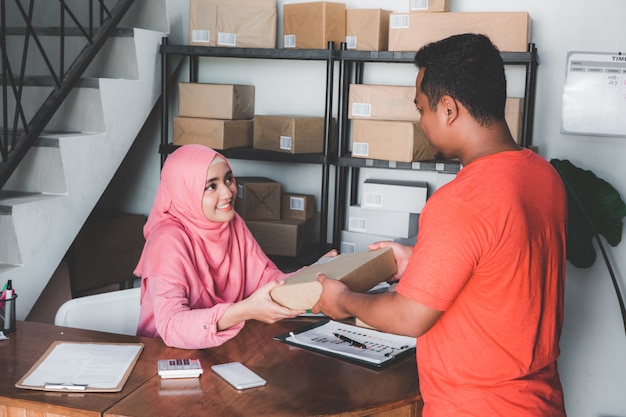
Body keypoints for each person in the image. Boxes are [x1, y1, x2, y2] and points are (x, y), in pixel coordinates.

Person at [312, 33, 567, 416]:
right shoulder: (544, 177)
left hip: (475, 407)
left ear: (448, 109)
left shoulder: (460, 200)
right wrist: (419, 259)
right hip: (540, 401)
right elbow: (502, 269)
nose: (422, 122)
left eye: (421, 109)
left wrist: (343, 301)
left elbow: (409, 317)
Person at [134, 144, 312, 349]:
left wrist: (314, 276)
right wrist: (245, 310)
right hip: (165, 357)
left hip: (223, 349)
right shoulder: (166, 240)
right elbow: (172, 326)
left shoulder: (232, 223)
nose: (228, 192)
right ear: (185, 191)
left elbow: (265, 279)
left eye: (228, 179)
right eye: (211, 186)